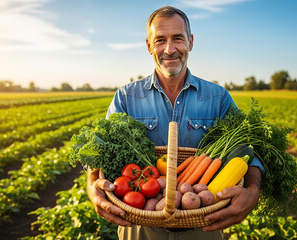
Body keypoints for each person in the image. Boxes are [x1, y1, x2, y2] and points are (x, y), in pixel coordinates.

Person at [86, 5, 264, 240]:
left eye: (177, 38)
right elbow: (100, 153)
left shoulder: (218, 97)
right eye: (160, 40)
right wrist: (92, 187)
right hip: (139, 226)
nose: (169, 49)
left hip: (202, 225)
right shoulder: (126, 97)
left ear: (190, 42)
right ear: (149, 46)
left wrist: (253, 190)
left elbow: (247, 150)